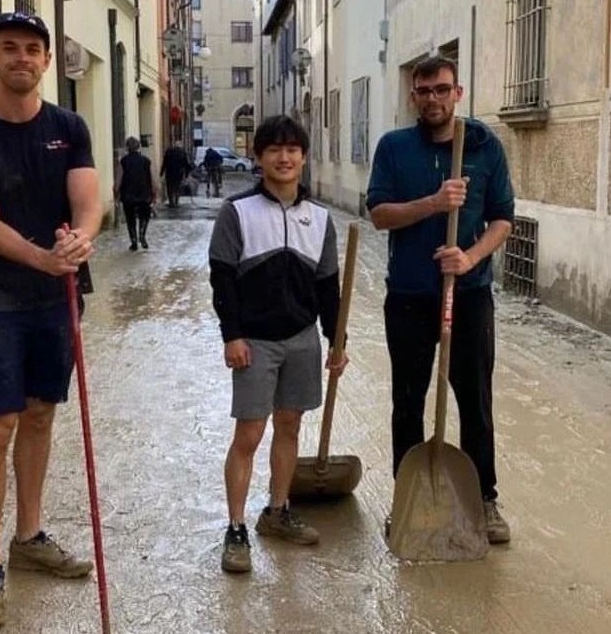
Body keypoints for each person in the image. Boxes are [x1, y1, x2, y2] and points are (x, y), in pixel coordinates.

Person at [0, 12, 102, 630]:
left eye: (33, 49)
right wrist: (43, 257)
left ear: (46, 60)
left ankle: (28, 537)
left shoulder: (69, 127)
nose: (22, 59)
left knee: (39, 416)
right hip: (0, 298)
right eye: (10, 48)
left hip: (57, 298)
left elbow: (89, 203)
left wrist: (79, 244)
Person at [366, 55, 515, 545]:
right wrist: (434, 203)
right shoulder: (393, 147)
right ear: (413, 96)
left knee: (475, 402)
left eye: (442, 89)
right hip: (409, 295)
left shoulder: (485, 147)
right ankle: (407, 501)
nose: (433, 98)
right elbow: (380, 215)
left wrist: (469, 258)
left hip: (467, 297)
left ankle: (485, 499)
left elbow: (502, 220)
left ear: (459, 92)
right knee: (407, 402)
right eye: (424, 90)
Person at [209, 115, 349, 574]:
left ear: (304, 157)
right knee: (249, 434)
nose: (284, 157)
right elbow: (223, 281)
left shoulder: (321, 218)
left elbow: (330, 288)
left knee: (289, 427)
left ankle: (278, 511)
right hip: (255, 341)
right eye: (274, 149)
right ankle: (235, 529)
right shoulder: (238, 212)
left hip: (303, 339)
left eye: (292, 149)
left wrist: (336, 341)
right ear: (259, 156)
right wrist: (232, 335)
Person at [115, 136, 156, 250]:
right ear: (139, 147)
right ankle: (142, 235)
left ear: (127, 147)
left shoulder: (123, 161)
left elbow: (118, 180)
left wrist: (116, 194)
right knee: (144, 217)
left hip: (128, 196)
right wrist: (154, 194)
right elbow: (153, 180)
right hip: (144, 195)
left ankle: (134, 242)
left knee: (130, 219)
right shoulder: (146, 161)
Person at [159, 141, 191, 208]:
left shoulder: (168, 152)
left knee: (169, 188)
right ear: (180, 146)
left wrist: (161, 173)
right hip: (178, 173)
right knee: (177, 188)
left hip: (169, 173)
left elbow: (164, 163)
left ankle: (171, 202)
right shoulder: (182, 152)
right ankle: (176, 202)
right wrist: (187, 175)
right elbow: (186, 164)